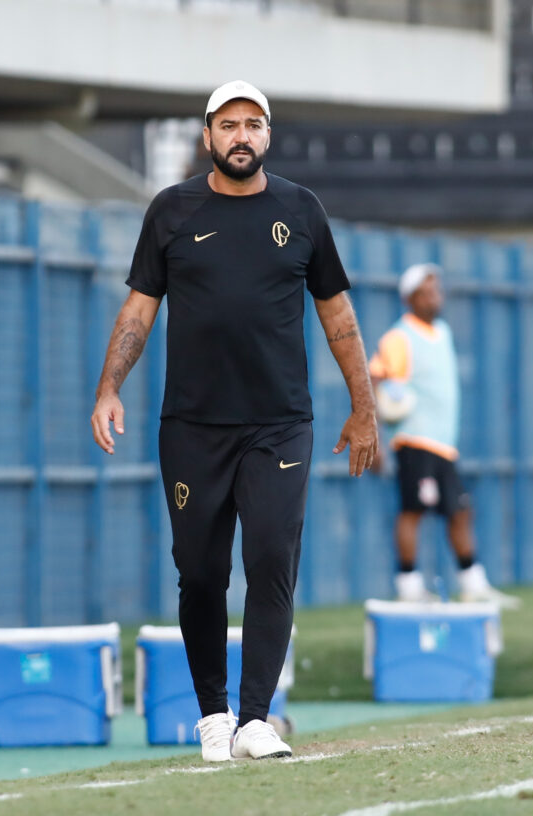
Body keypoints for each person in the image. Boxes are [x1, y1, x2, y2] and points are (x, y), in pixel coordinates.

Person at [90, 80, 378, 763]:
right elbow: (138, 312)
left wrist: (363, 407)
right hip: (192, 426)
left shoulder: (302, 211)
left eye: (253, 124)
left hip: (280, 423)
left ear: (268, 136)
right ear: (208, 136)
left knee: (272, 558)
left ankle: (256, 719)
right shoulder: (171, 211)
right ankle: (212, 715)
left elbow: (338, 315)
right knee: (201, 572)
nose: (241, 136)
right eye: (228, 125)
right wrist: (109, 389)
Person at [368, 263, 519, 608]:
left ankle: (473, 584)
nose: (435, 297)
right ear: (410, 298)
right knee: (413, 511)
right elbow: (374, 379)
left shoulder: (444, 332)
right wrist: (375, 436)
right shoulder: (399, 337)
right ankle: (408, 588)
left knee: (459, 511)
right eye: (426, 291)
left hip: (443, 445)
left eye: (437, 289)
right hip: (414, 441)